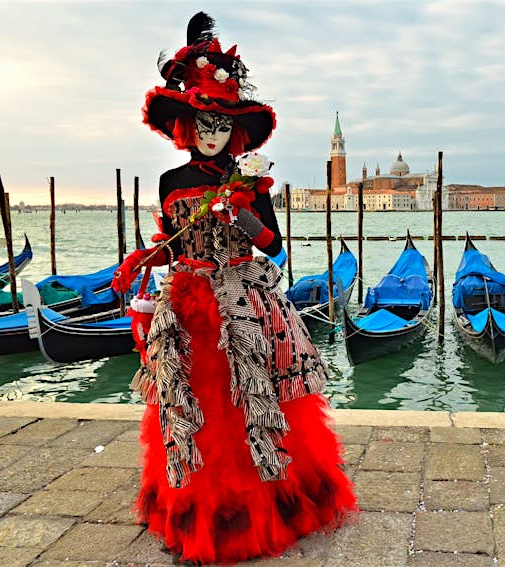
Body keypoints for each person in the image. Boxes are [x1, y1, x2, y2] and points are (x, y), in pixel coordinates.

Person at [112, 12, 356, 564]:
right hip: (188, 308)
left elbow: (275, 247)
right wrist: (147, 268)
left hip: (244, 303)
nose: (212, 135)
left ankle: (266, 502)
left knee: (253, 399)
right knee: (193, 400)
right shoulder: (171, 182)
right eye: (203, 125)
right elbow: (173, 246)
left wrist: (242, 214)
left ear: (236, 131)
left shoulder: (249, 180)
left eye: (222, 126)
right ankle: (196, 505)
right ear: (187, 127)